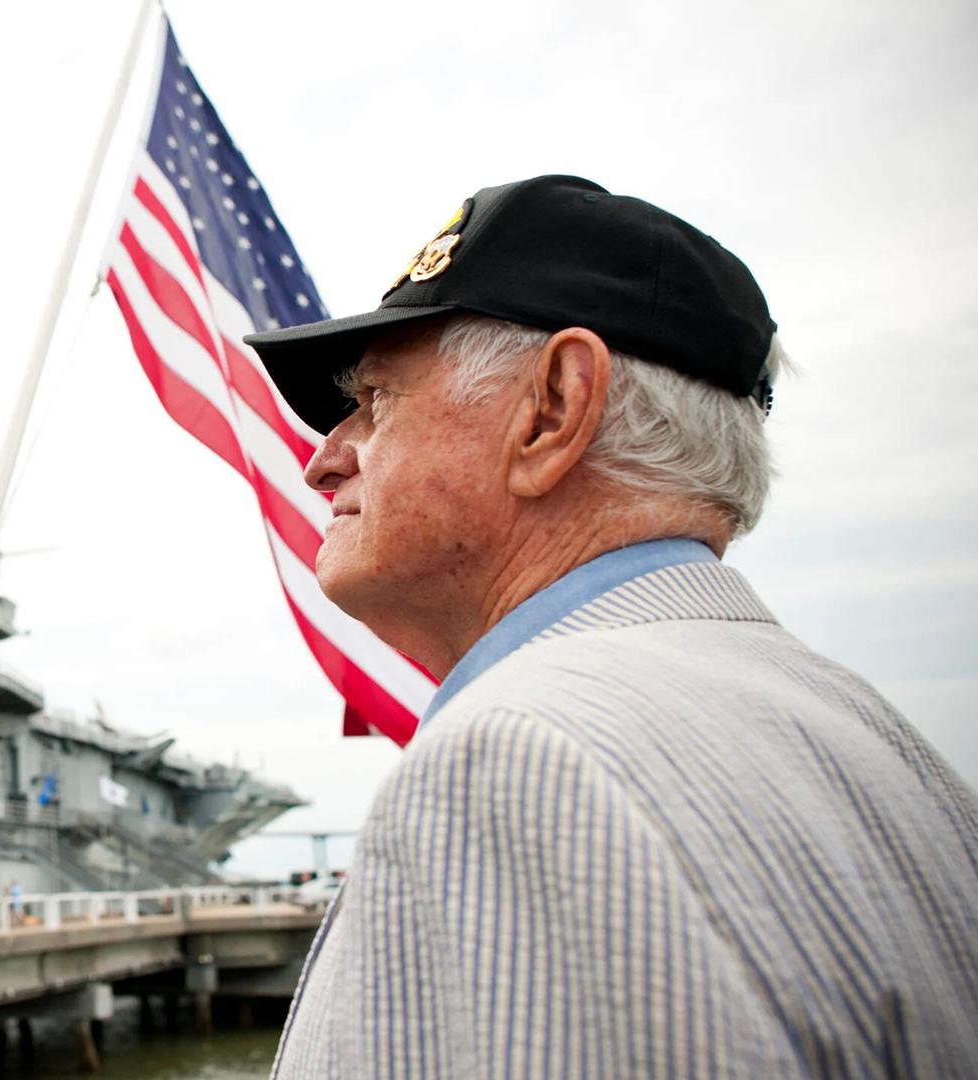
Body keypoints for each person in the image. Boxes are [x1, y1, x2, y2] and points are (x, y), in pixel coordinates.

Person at [244, 175, 978, 1078]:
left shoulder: (521, 759)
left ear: (553, 409)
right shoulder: (881, 741)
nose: (324, 460)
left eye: (377, 401)